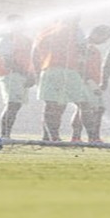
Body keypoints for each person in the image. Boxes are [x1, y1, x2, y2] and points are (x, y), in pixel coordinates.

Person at [30, 15, 89, 143]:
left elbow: (34, 53)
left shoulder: (44, 31)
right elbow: (82, 49)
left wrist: (37, 72)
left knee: (51, 105)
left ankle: (49, 136)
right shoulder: (75, 29)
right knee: (84, 103)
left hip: (48, 70)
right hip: (69, 70)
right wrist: (83, 70)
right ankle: (82, 136)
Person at [0, 14, 35, 139]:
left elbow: (30, 59)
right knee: (12, 103)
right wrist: (24, 73)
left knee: (16, 104)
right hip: (10, 75)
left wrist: (31, 75)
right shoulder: (5, 38)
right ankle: (5, 136)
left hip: (22, 75)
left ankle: (6, 135)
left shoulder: (25, 39)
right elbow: (7, 60)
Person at [79, 24, 110, 143]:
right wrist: (91, 83)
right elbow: (81, 66)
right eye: (104, 37)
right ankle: (93, 137)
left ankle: (77, 136)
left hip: (91, 82)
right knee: (94, 109)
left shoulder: (91, 47)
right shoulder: (86, 47)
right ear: (96, 34)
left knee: (85, 108)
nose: (105, 41)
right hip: (87, 83)